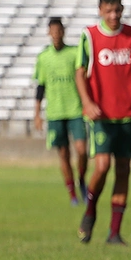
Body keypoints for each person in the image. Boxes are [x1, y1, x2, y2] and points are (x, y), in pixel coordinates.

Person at [75, 0, 131, 245]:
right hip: (102, 116)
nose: (114, 15)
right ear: (100, 10)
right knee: (102, 166)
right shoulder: (90, 36)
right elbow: (80, 73)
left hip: (129, 114)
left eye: (117, 10)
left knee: (124, 170)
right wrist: (87, 102)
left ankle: (114, 233)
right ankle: (90, 210)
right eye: (108, 10)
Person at [33, 17, 88, 205]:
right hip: (55, 113)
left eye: (59, 31)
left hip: (75, 110)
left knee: (82, 150)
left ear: (63, 32)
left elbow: (84, 78)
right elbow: (40, 87)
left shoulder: (74, 53)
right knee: (63, 154)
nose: (56, 35)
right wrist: (37, 113)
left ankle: (82, 179)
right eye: (53, 31)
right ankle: (72, 194)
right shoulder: (43, 57)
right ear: (49, 33)